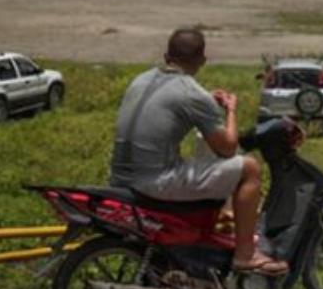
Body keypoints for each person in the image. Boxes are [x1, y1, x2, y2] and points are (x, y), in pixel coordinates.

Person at [109, 29, 292, 275]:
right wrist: (231, 111)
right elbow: (227, 148)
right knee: (249, 168)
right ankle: (246, 255)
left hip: (120, 179)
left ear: (166, 56)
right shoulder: (191, 93)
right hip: (155, 182)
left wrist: (205, 100)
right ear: (202, 60)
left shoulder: (140, 80)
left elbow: (173, 104)